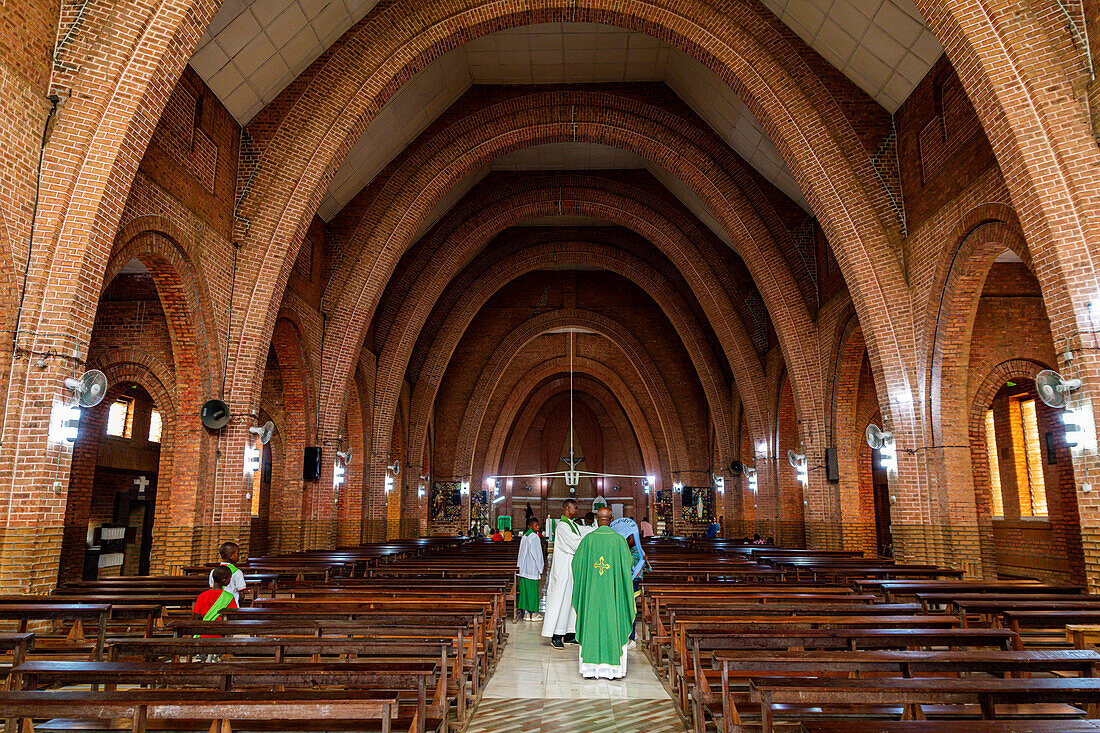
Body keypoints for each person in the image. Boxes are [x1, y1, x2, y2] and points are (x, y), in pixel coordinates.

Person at [571, 507, 635, 679]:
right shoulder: (619, 541)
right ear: (612, 519)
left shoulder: (588, 540)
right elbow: (628, 565)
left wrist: (587, 581)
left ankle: (590, 669)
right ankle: (614, 671)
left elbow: (576, 565)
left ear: (597, 519)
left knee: (592, 621)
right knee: (613, 622)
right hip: (612, 596)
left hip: (592, 596)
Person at [541, 498, 593, 649]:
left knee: (572, 600)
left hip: (573, 569)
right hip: (564, 570)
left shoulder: (573, 525)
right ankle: (556, 635)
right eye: (575, 508)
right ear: (567, 509)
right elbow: (575, 543)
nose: (577, 511)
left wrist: (600, 528)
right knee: (561, 600)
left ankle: (570, 633)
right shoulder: (563, 527)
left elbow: (585, 530)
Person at [192, 564, 238, 657]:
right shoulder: (229, 597)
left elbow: (196, 616)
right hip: (220, 635)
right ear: (225, 580)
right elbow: (234, 617)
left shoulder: (202, 595)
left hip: (203, 635)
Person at [516, 518, 544, 622]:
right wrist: (540, 567)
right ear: (530, 526)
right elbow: (537, 554)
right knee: (533, 592)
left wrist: (520, 566)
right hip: (532, 568)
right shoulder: (534, 537)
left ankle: (527, 614)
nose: (538, 527)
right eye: (536, 526)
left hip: (524, 568)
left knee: (525, 592)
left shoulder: (525, 536)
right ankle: (534, 614)